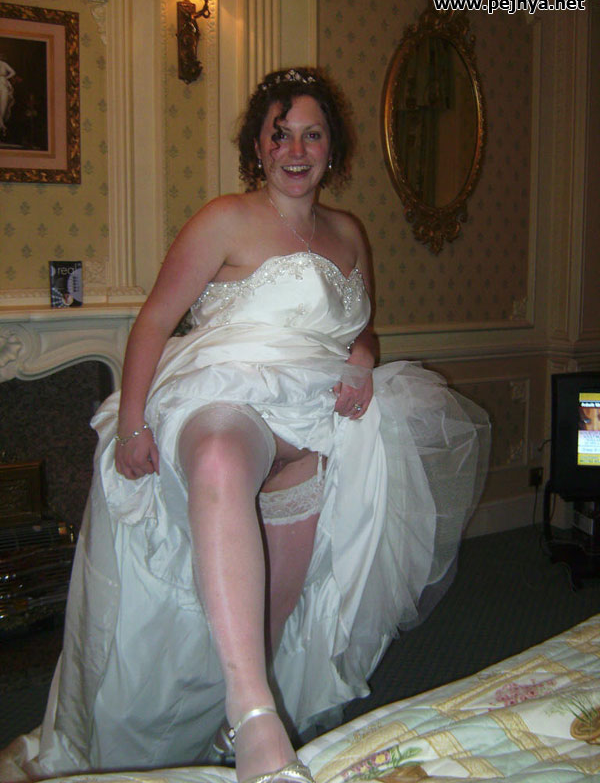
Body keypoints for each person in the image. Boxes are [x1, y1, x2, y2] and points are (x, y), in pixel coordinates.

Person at [0, 68, 489, 783]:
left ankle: (229, 733)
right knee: (223, 456)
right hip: (224, 390)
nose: (296, 150)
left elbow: (361, 329)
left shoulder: (350, 233)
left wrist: (361, 356)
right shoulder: (224, 218)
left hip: (314, 420)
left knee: (275, 614)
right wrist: (132, 424)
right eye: (279, 135)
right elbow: (154, 321)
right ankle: (257, 718)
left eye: (312, 135)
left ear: (332, 147)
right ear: (257, 147)